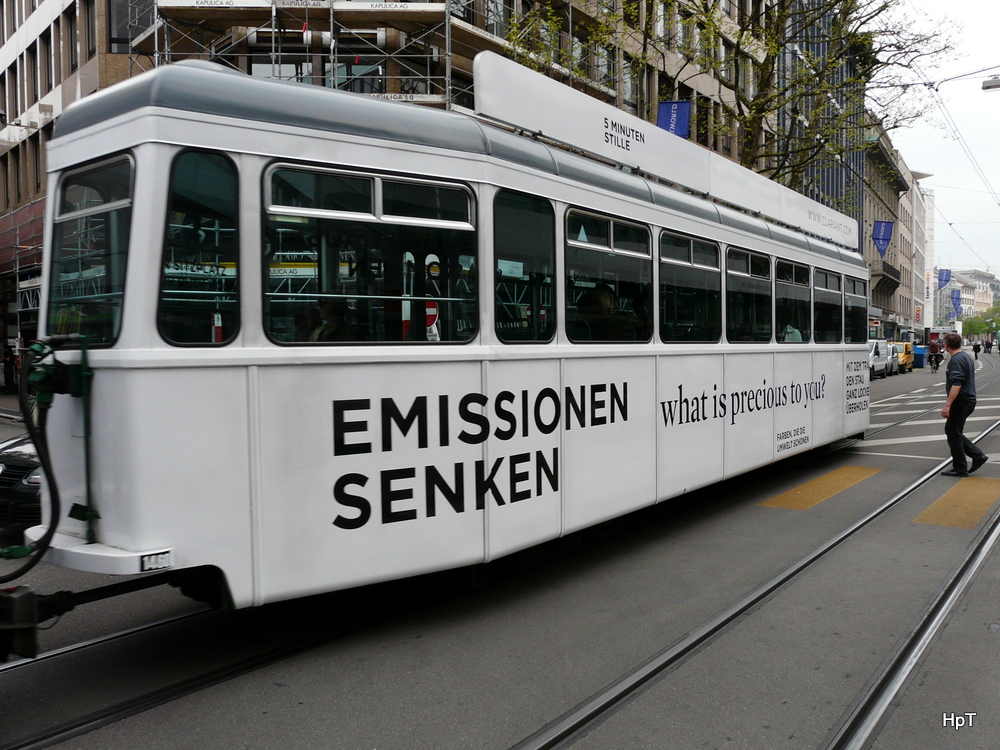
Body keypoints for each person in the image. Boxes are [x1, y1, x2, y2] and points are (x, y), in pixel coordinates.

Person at [940, 332, 988, 477]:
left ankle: (961, 467)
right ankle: (976, 455)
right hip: (967, 399)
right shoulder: (966, 357)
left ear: (947, 345)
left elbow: (957, 384)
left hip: (961, 401)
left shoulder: (957, 360)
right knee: (952, 430)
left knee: (953, 433)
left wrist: (948, 404)